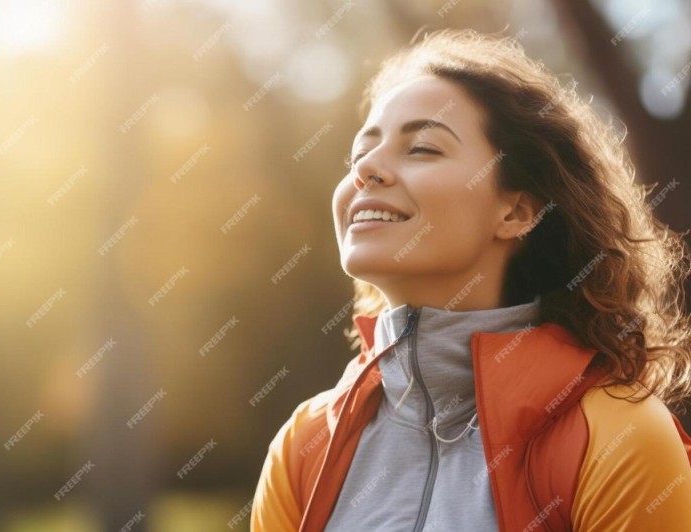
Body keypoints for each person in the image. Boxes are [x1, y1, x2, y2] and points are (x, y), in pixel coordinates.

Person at [251, 28, 691, 531]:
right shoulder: (303, 445)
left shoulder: (619, 438)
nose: (366, 170)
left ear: (518, 211)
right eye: (357, 156)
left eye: (421, 148)